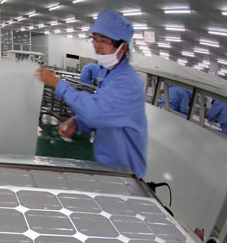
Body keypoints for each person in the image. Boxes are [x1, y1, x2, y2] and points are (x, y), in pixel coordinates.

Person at [35, 10, 147, 178]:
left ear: (122, 47)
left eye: (104, 41)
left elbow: (95, 112)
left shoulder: (127, 82)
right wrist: (78, 123)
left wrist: (57, 83)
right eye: (94, 38)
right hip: (109, 166)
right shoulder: (109, 73)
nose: (97, 45)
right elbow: (108, 112)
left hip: (126, 172)